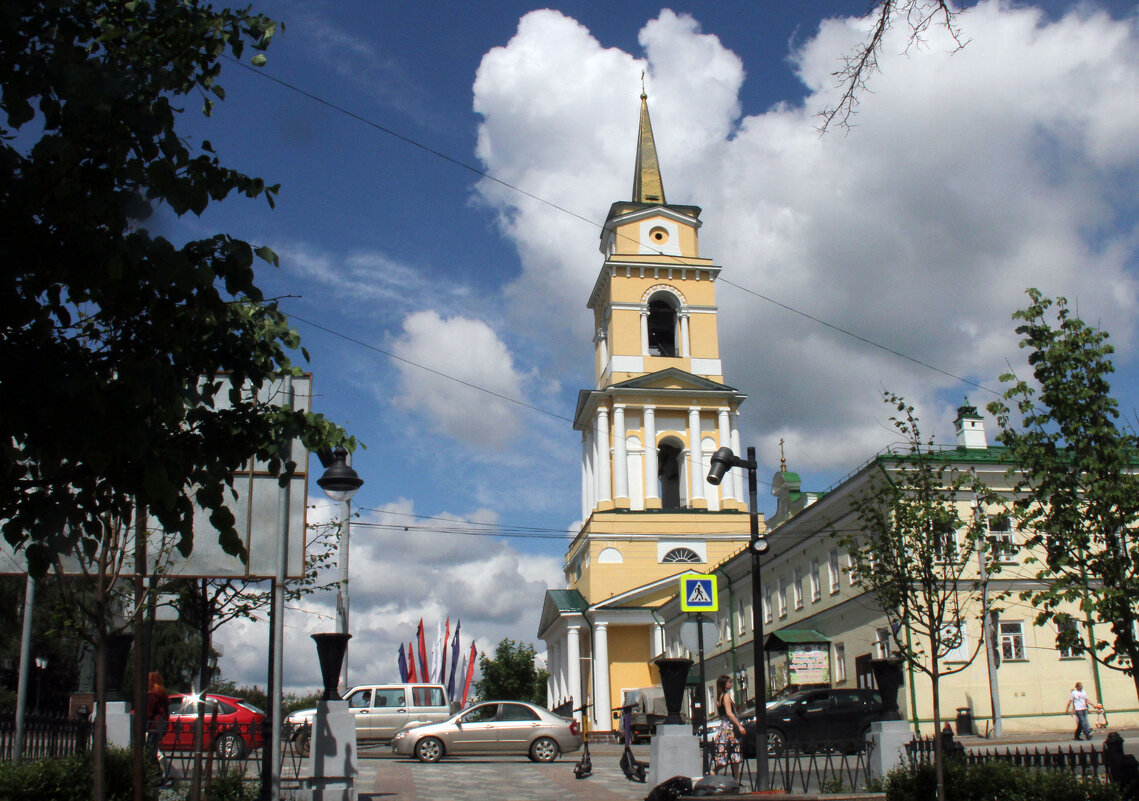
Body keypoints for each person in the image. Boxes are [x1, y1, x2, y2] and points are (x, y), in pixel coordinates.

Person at [711, 674, 745, 780]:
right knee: (733, 753)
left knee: (729, 755)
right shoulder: (726, 696)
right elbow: (729, 713)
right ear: (724, 684)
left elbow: (721, 715)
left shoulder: (719, 697)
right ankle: (735, 779)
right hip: (730, 728)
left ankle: (734, 779)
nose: (731, 684)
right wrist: (740, 726)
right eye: (729, 682)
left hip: (724, 726)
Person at [146, 671, 170, 765]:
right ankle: (157, 771)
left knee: (150, 750)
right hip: (162, 723)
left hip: (155, 724)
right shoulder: (162, 692)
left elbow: (149, 712)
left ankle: (155, 772)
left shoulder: (153, 694)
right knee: (154, 748)